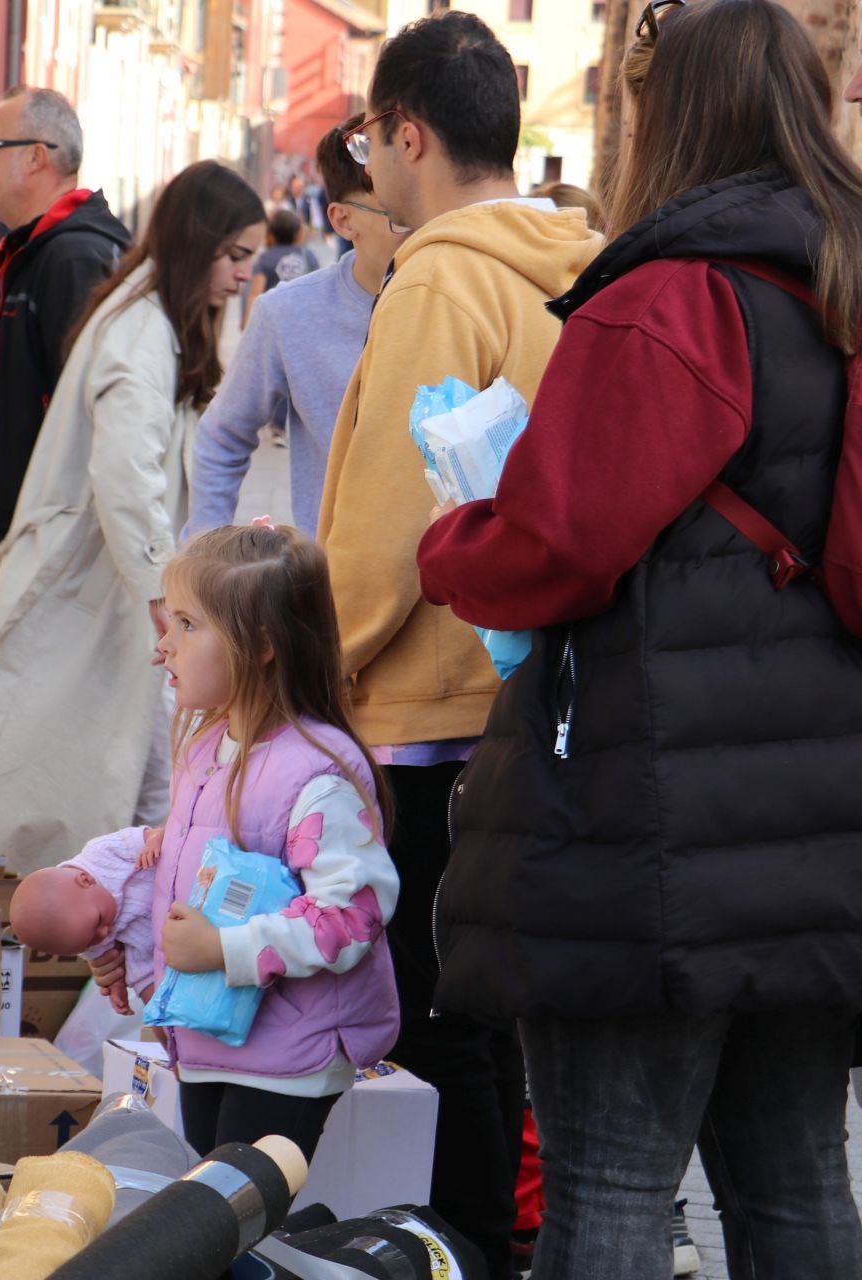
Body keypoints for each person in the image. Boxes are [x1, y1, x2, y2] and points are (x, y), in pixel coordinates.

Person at [417, 2, 862, 1275]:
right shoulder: (843, 272)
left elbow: (557, 539)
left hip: (656, 814)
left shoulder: (672, 298)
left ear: (667, 113)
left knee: (610, 1182)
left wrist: (453, 540)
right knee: (797, 1182)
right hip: (820, 813)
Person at [317, 13, 604, 1274]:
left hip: (429, 705)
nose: (367, 161)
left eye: (370, 136)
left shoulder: (439, 272)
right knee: (495, 1017)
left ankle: (465, 1248)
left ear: (409, 134)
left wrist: (302, 670)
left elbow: (385, 530)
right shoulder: (575, 258)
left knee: (438, 1016)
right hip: (534, 692)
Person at [0, 162, 266, 876]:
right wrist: (168, 589)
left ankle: (67, 915)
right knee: (23, 768)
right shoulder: (140, 329)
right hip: (85, 581)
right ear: (198, 246)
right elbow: (126, 473)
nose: (240, 278)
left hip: (103, 582)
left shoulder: (153, 318)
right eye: (233, 257)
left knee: (83, 763)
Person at [86, 523, 399, 1158]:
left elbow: (351, 915)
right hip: (209, 1042)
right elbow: (177, 868)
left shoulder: (315, 773)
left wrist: (223, 948)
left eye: (186, 624)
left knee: (230, 1227)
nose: (162, 647)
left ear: (259, 646)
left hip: (286, 1056)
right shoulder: (207, 748)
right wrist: (116, 936)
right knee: (215, 1217)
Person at [0, 86, 130, 689]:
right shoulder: (34, 250)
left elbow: (94, 413)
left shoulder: (74, 259)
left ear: (36, 157)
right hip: (16, 548)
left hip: (47, 555)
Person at [189, 117, 407, 540]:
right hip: (332, 587)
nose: (423, 232)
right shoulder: (289, 312)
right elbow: (222, 436)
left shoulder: (467, 302)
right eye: (399, 218)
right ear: (344, 221)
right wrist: (203, 557)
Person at [9, 827, 160, 1012]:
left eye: (98, 921)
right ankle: (172, 1035)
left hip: (165, 881)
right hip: (145, 946)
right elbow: (109, 964)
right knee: (151, 996)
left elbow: (146, 835)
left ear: (86, 880)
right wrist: (117, 986)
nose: (105, 933)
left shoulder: (102, 852)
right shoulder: (81, 934)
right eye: (90, 942)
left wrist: (154, 839)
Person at [239, 209, 319, 331]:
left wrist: (247, 324)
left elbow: (255, 292)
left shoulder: (265, 258)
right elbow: (318, 288)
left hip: (274, 321)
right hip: (303, 320)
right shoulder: (308, 256)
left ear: (271, 234)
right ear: (298, 234)